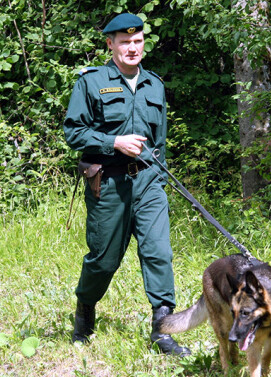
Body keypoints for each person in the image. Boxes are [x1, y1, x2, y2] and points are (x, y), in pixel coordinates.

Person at [63, 13, 190, 356]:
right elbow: (73, 132)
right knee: (103, 259)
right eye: (124, 42)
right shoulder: (90, 82)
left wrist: (159, 178)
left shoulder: (154, 84)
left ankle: (162, 328)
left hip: (148, 179)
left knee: (158, 251)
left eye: (138, 41)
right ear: (110, 44)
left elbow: (160, 140)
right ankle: (86, 308)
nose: (132, 48)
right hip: (108, 181)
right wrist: (113, 142)